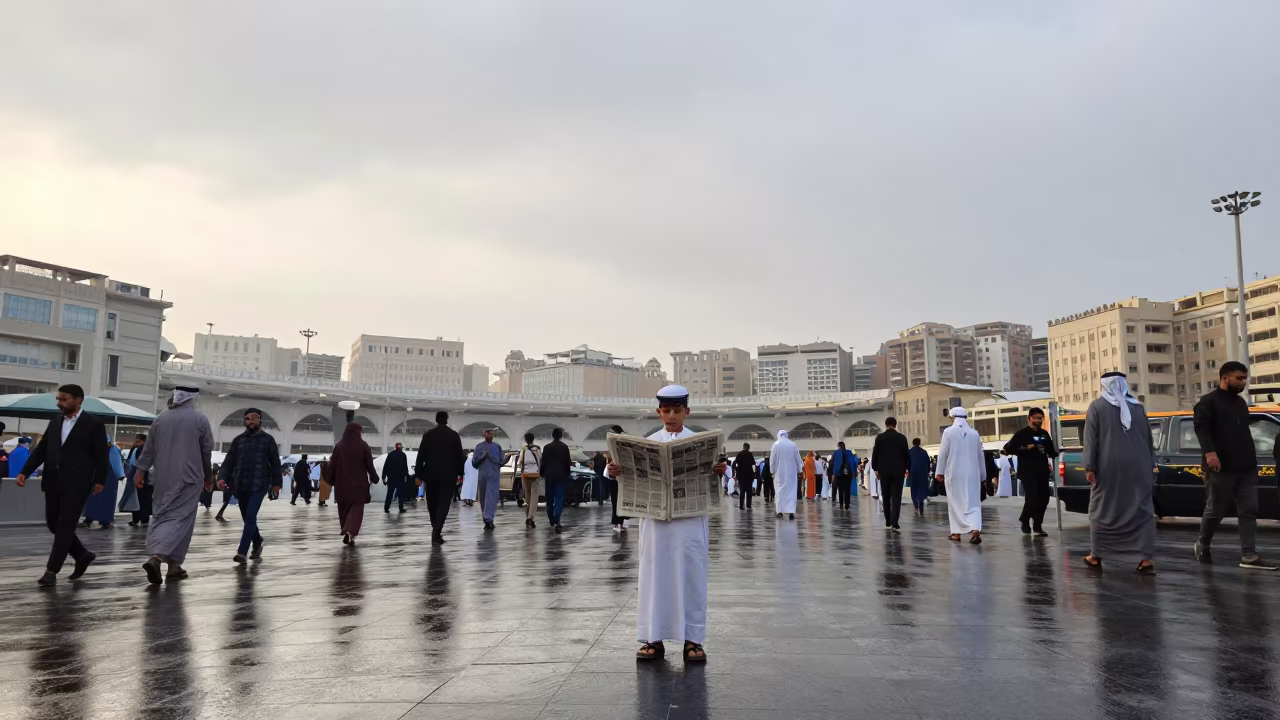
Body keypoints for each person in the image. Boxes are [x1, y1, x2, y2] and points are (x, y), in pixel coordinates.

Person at [605, 385, 726, 663]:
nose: (671, 416)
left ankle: (693, 640)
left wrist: (720, 469)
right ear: (658, 411)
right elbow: (616, 473)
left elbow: (717, 474)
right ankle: (653, 638)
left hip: (691, 522)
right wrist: (611, 470)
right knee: (655, 578)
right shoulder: (648, 442)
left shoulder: (701, 442)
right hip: (656, 523)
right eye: (666, 411)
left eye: (676, 410)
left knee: (691, 577)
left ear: (687, 411)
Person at [16, 384, 109, 586]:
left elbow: (101, 455)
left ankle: (51, 571)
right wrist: (25, 471)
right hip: (52, 480)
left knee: (65, 525)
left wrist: (99, 480)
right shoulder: (55, 422)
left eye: (64, 399)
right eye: (58, 399)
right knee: (53, 523)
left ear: (78, 400)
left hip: (78, 483)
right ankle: (82, 554)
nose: (59, 403)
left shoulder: (93, 423)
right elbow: (42, 450)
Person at [1193, 362, 1277, 570]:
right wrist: (1210, 454)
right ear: (1225, 378)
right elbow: (1201, 429)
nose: (1243, 382)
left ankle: (1248, 554)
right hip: (1220, 467)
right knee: (1216, 510)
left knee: (1249, 509)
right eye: (1239, 378)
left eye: (1244, 378)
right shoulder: (1207, 402)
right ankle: (1202, 544)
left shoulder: (1240, 403)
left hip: (1245, 466)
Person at [132, 385, 215, 584]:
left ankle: (174, 567)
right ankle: (157, 557)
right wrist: (208, 476)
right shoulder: (200, 419)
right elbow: (206, 452)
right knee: (181, 520)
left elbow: (148, 450)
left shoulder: (161, 418)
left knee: (161, 515)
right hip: (190, 477)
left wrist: (140, 471)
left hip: (162, 477)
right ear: (192, 399)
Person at [1081, 372, 1157, 574]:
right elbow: (1149, 441)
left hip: (1109, 466)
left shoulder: (1097, 407)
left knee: (1103, 507)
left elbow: (1091, 440)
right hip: (1140, 465)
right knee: (1141, 508)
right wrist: (1151, 465)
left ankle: (1096, 556)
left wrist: (1089, 467)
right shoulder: (1138, 407)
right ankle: (1146, 559)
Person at [219, 408, 282, 565]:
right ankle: (258, 540)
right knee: (247, 517)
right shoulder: (238, 440)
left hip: (259, 484)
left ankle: (242, 552)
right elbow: (228, 462)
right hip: (241, 484)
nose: (251, 421)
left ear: (260, 420)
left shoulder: (268, 440)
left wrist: (276, 485)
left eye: (254, 418)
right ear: (244, 421)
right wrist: (221, 478)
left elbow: (275, 463)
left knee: (251, 515)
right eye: (247, 419)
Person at [1003, 408, 1057, 536]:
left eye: (1040, 418)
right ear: (1029, 419)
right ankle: (1024, 519)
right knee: (1032, 499)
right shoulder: (1022, 433)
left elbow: (1051, 451)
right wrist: (1025, 448)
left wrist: (1059, 452)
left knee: (1044, 499)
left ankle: (1037, 525)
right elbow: (1008, 448)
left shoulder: (1044, 434)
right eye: (1035, 418)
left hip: (1042, 470)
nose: (1038, 421)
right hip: (1027, 471)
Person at [935, 407, 985, 544]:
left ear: (952, 417)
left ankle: (956, 534)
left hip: (954, 472)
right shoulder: (974, 433)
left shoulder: (948, 432)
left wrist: (939, 472)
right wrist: (982, 475)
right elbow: (980, 456)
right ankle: (975, 531)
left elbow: (943, 453)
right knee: (973, 503)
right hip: (973, 473)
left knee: (955, 502)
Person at [416, 411, 466, 545]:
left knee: (432, 504)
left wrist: (418, 474)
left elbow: (420, 456)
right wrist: (461, 472)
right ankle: (436, 532)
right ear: (447, 420)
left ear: (436, 419)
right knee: (444, 504)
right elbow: (459, 456)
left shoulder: (428, 436)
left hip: (431, 474)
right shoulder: (453, 436)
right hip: (448, 475)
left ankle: (435, 530)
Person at [328, 422, 379, 546]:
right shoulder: (363, 446)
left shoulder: (339, 446)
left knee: (343, 510)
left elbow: (332, 466)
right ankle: (350, 532)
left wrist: (330, 479)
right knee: (356, 510)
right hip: (359, 485)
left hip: (342, 485)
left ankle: (346, 529)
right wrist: (374, 477)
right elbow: (369, 465)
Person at [871, 417, 911, 531]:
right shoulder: (902, 438)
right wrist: (907, 468)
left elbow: (875, 454)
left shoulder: (880, 438)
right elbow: (906, 455)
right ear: (895, 424)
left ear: (885, 424)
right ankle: (895, 521)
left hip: (884, 471)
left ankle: (888, 520)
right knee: (897, 496)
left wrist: (876, 469)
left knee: (886, 495)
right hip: (898, 471)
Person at [82, 433, 126, 529]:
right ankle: (89, 519)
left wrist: (120, 474)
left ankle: (105, 521)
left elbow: (117, 463)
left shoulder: (113, 450)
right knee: (94, 498)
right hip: (98, 475)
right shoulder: (96, 450)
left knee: (107, 499)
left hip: (110, 476)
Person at [540, 427, 571, 533]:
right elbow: (568, 463)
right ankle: (557, 519)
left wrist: (542, 473)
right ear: (561, 436)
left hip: (549, 477)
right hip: (561, 477)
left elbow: (543, 462)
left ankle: (552, 520)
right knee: (559, 499)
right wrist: (568, 474)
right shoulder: (564, 447)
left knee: (549, 499)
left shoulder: (547, 447)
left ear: (552, 436)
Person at [472, 428, 504, 531]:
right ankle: (486, 518)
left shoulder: (497, 447)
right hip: (483, 476)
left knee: (491, 498)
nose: (489, 435)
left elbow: (501, 462)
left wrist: (506, 459)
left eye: (491, 433)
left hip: (493, 476)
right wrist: (482, 458)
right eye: (487, 433)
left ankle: (489, 519)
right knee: (483, 499)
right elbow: (474, 464)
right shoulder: (479, 447)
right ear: (484, 435)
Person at [769, 430, 802, 520]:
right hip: (791, 472)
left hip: (779, 472)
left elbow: (772, 460)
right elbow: (798, 459)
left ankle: (779, 511)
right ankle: (791, 512)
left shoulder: (776, 445)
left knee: (779, 491)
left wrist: (772, 471)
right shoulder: (793, 444)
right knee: (792, 491)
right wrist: (799, 470)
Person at [514, 432, 543, 528]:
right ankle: (531, 517)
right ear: (533, 439)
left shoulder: (524, 448)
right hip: (536, 474)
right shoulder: (538, 448)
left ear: (526, 440)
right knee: (535, 496)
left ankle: (528, 516)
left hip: (526, 475)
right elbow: (541, 460)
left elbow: (520, 462)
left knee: (527, 496)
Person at [607, 425, 630, 532]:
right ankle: (621, 524)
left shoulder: (612, 445)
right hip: (624, 478)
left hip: (614, 478)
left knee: (615, 501)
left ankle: (618, 525)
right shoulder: (625, 445)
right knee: (621, 500)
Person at [118, 434, 143, 518]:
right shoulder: (135, 450)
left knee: (135, 497)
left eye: (139, 441)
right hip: (132, 476)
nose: (136, 443)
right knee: (133, 497)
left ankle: (136, 516)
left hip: (136, 476)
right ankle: (135, 516)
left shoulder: (139, 450)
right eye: (136, 441)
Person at [382, 442, 410, 514]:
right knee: (401, 494)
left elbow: (386, 466)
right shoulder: (403, 455)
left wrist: (384, 476)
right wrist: (406, 476)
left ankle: (386, 508)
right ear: (401, 448)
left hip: (391, 478)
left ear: (395, 447)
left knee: (390, 493)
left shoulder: (390, 454)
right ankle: (401, 508)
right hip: (400, 478)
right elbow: (405, 467)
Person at [829, 442, 857, 509]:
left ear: (838, 446)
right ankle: (847, 504)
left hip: (838, 473)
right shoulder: (850, 452)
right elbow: (854, 461)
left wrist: (832, 473)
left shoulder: (835, 453)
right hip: (848, 473)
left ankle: (841, 503)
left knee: (840, 489)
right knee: (847, 489)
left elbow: (832, 463)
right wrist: (854, 472)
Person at [908, 438, 931, 514]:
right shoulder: (924, 452)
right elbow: (928, 463)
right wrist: (927, 472)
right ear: (920, 443)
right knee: (921, 488)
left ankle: (916, 505)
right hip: (922, 473)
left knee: (914, 488)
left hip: (913, 473)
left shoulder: (910, 452)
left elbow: (908, 463)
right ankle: (921, 502)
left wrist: (908, 471)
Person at [733, 443, 756, 510]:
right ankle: (748, 505)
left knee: (742, 491)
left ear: (743, 447)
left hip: (741, 476)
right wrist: (754, 474)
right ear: (748, 447)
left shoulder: (739, 454)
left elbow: (734, 464)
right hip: (749, 475)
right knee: (749, 491)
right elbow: (753, 464)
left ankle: (741, 505)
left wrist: (737, 471)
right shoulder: (750, 454)